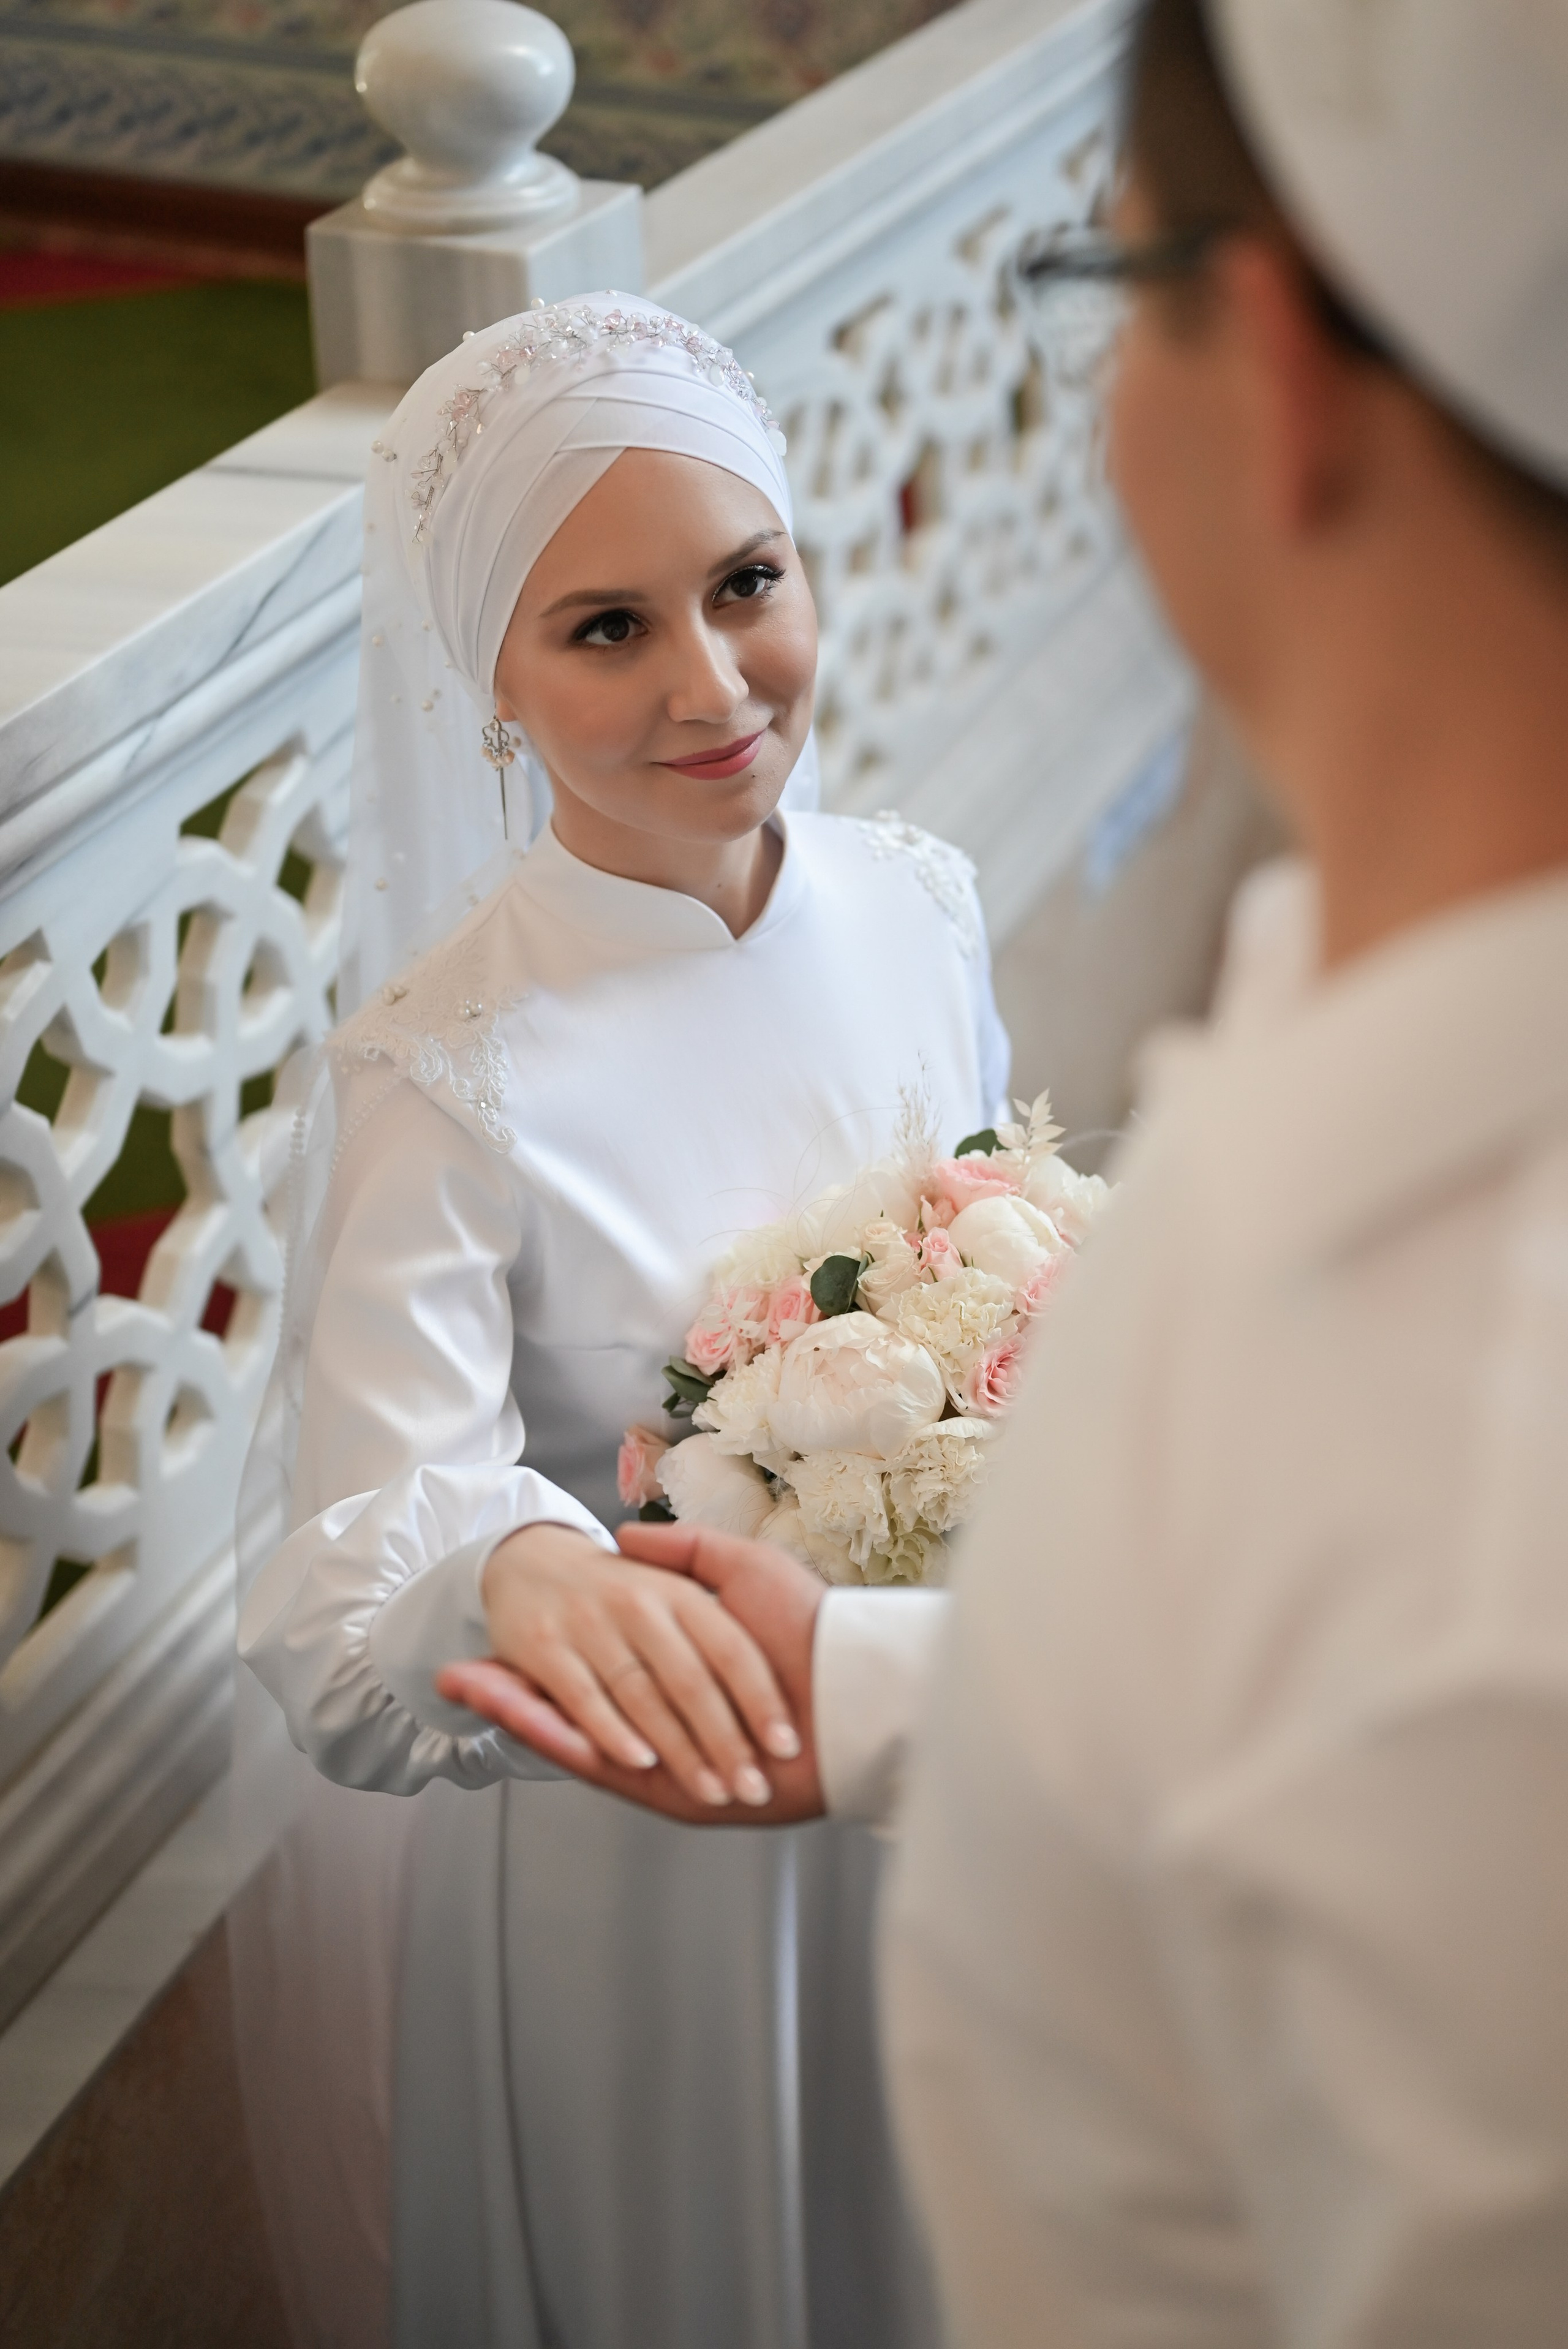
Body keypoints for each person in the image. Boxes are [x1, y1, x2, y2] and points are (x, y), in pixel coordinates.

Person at [450, 1, 1568, 2342]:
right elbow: (1267, 1727)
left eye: (1109, 289)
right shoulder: (1330, 1048)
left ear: (1253, 361)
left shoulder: (1469, 1399)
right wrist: (866, 1683)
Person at [232, 292, 1010, 2349]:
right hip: (656, 1849)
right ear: (488, 682)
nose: (713, 683)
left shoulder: (918, 900)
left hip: (943, 1742)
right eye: (605, 629)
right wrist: (517, 1564)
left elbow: (995, 1224)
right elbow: (338, 1584)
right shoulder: (455, 1071)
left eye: (746, 583)